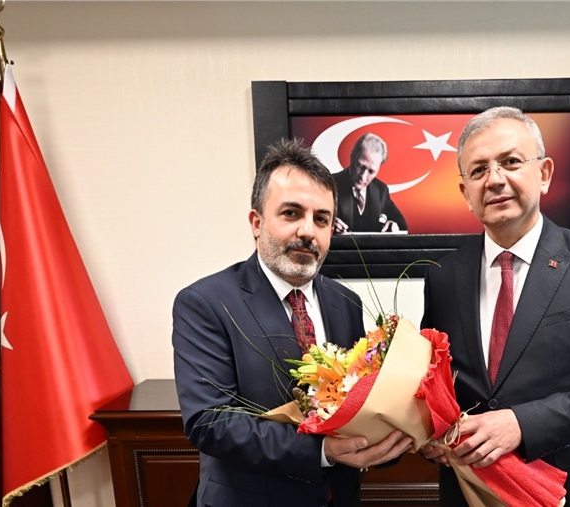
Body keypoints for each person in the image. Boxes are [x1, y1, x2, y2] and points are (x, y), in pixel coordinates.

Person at [418, 107, 570, 507]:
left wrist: (522, 423)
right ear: (465, 193)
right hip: (470, 490)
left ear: (544, 173)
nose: (494, 179)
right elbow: (435, 380)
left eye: (511, 162)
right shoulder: (443, 275)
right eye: (478, 171)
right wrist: (428, 431)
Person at [173, 139, 414, 507]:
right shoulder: (205, 302)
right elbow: (211, 422)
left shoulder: (345, 302)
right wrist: (323, 452)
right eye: (291, 213)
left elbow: (355, 400)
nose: (308, 231)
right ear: (256, 223)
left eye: (322, 219)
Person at [333, 133, 408, 234]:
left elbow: (402, 226)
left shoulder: (381, 190)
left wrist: (394, 225)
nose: (363, 176)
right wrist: (328, 224)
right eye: (360, 166)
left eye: (371, 171)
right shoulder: (329, 184)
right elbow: (314, 219)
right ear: (352, 157)